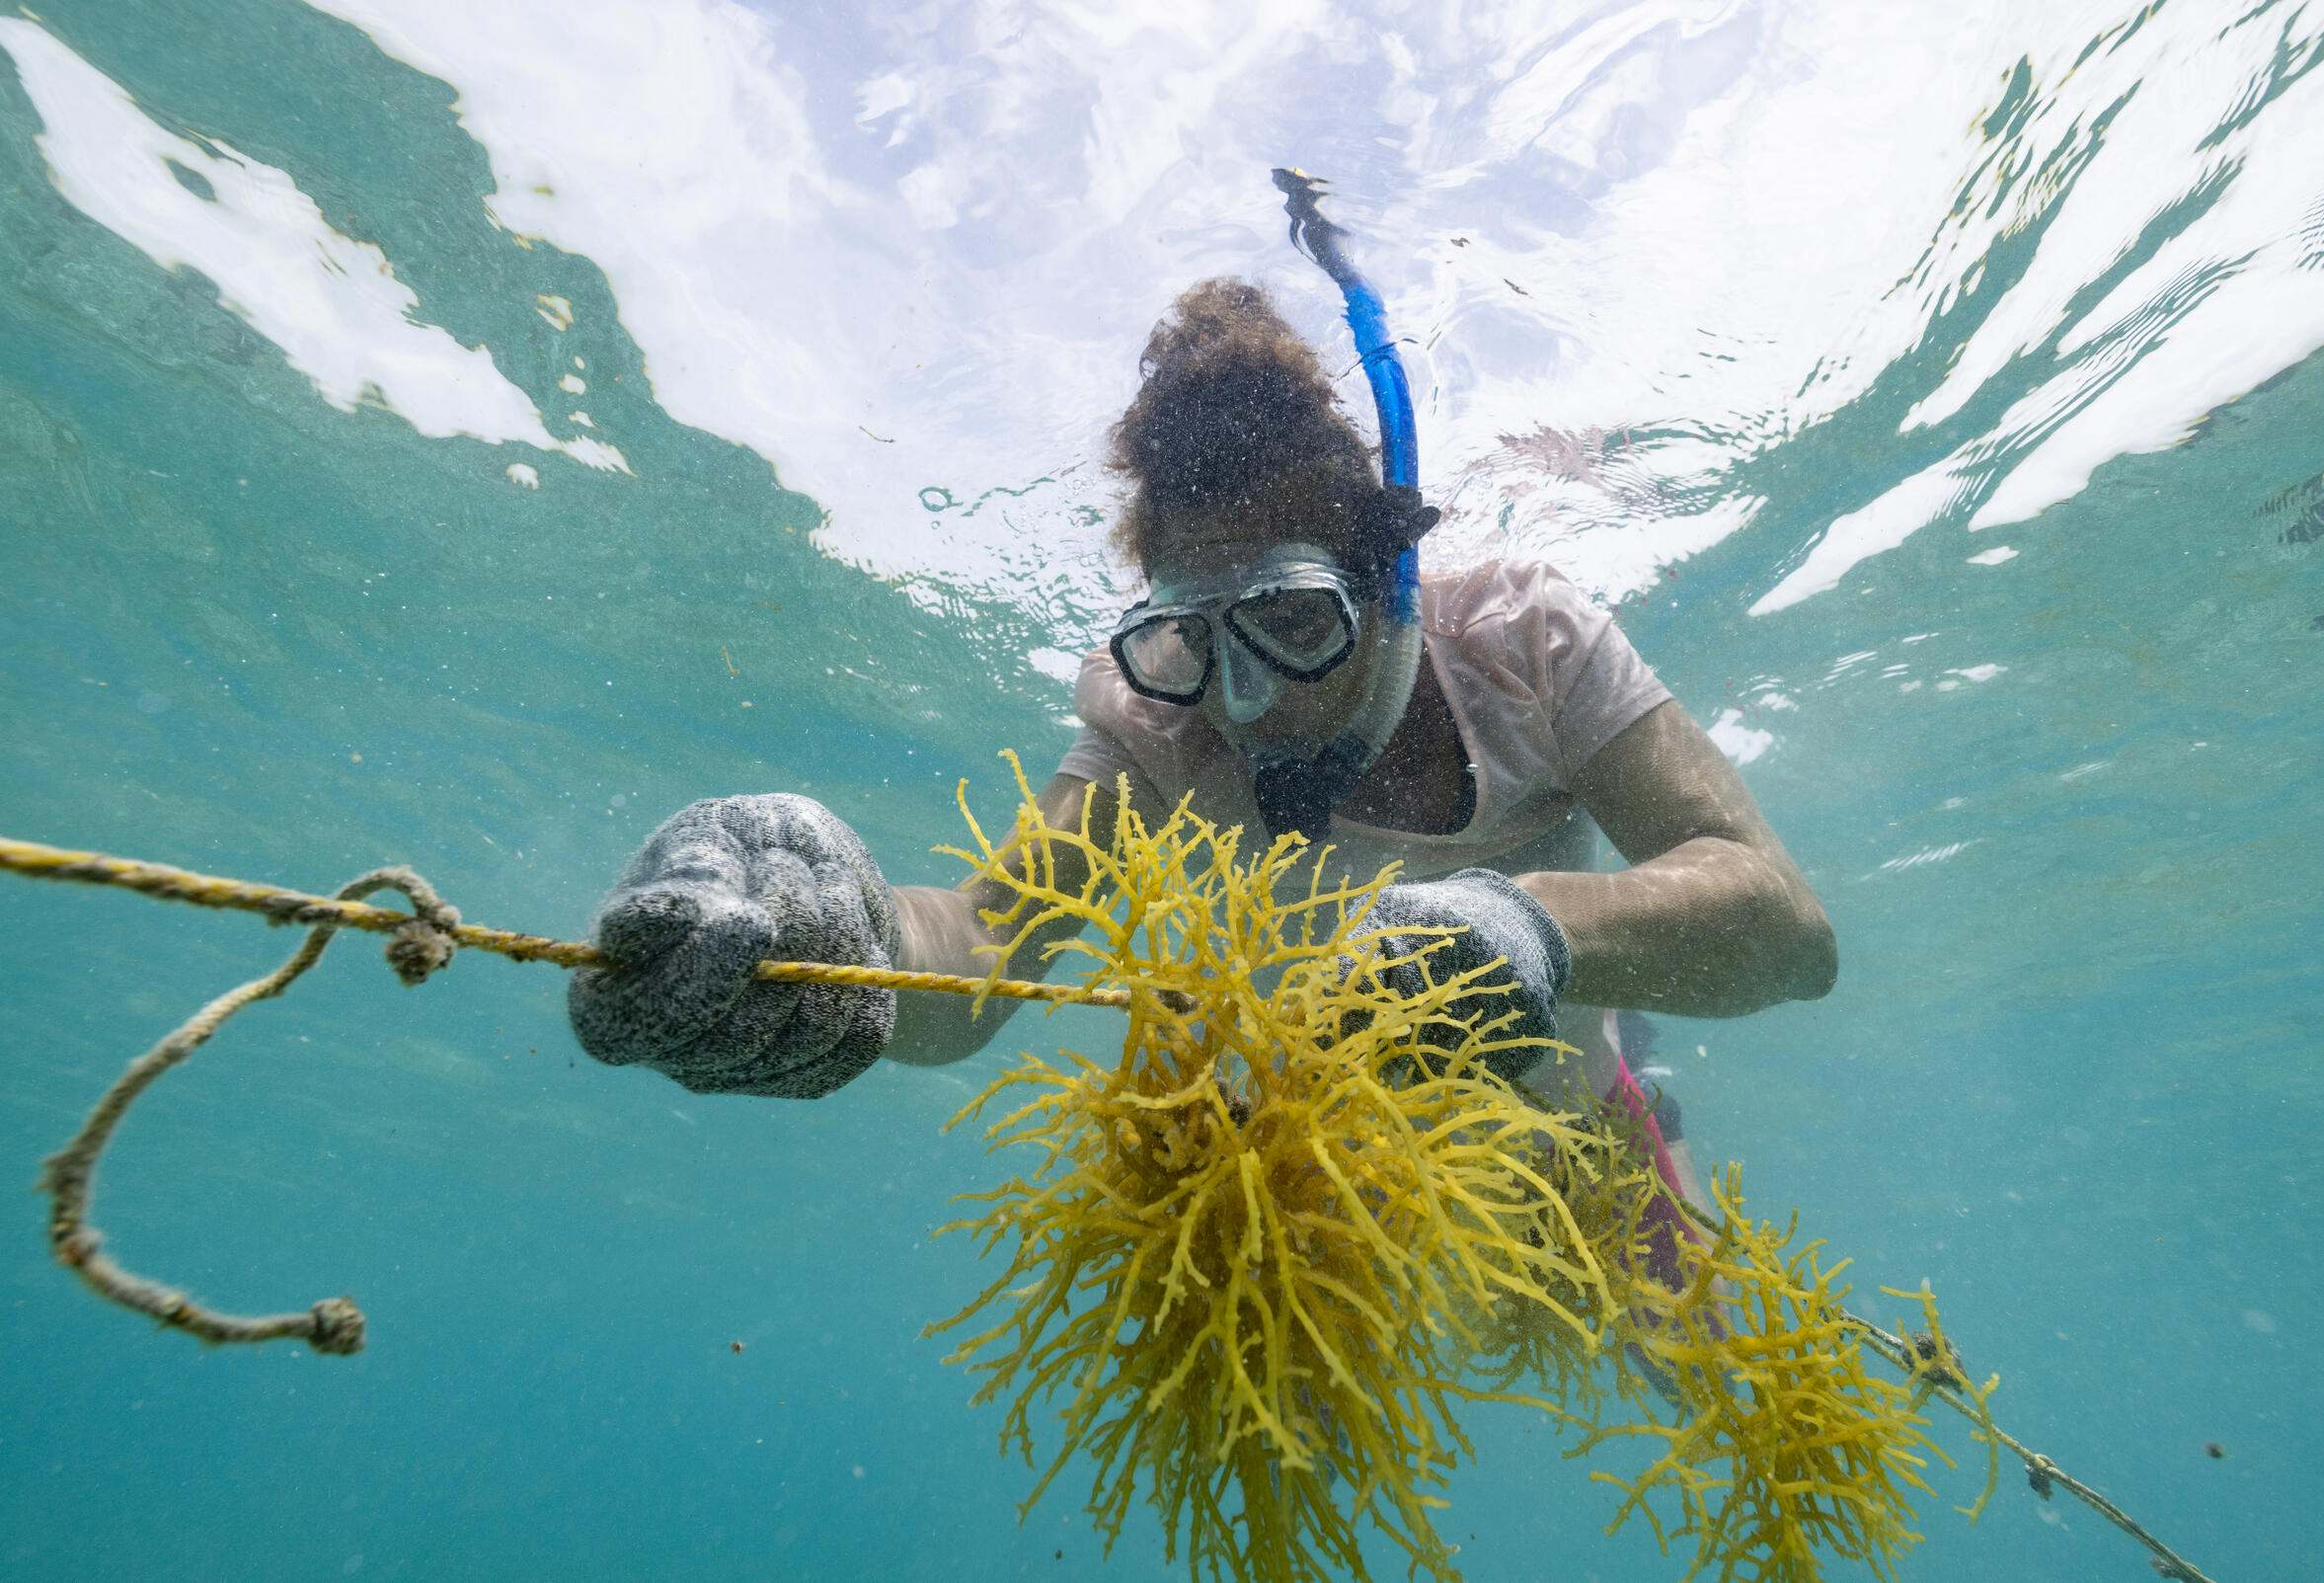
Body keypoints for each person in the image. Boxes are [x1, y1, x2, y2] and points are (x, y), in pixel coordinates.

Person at [567, 199, 1836, 1234]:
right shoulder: (1153, 727)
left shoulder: (1521, 640)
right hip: (1310, 1161)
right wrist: (839, 933)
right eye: (1191, 638)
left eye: (1290, 621)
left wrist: (1526, 919)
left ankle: (1637, 1080)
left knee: (1679, 1344)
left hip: (1566, 1110)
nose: (1242, 698)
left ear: (1379, 583)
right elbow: (983, 948)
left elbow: (1784, 929)